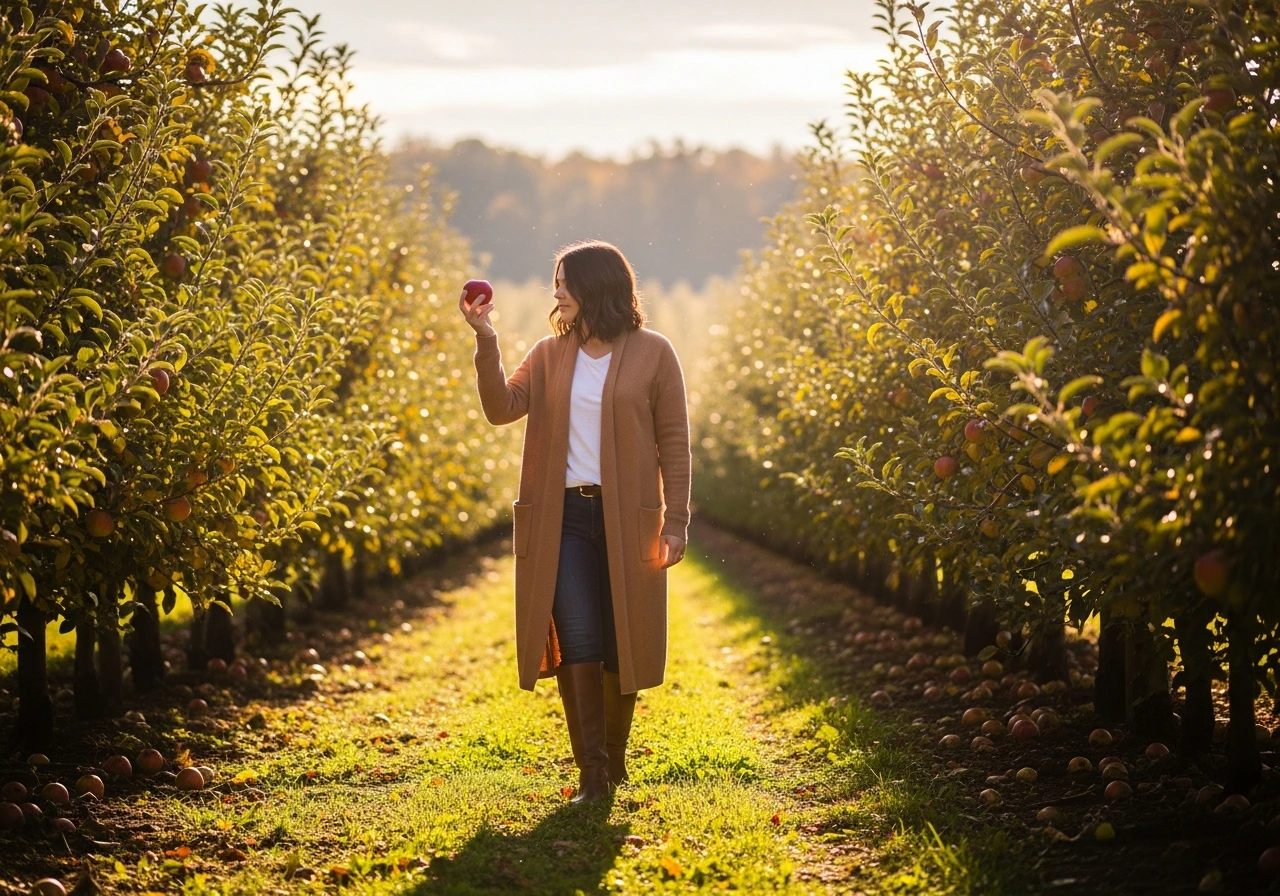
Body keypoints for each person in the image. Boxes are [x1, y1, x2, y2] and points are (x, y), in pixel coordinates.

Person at [460, 239, 691, 804]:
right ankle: (591, 774)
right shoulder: (546, 354)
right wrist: (486, 341)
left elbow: (675, 444)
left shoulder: (654, 353)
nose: (556, 291)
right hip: (561, 519)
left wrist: (677, 521)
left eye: (565, 281)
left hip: (627, 520)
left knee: (621, 642)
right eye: (555, 282)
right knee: (580, 638)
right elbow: (500, 409)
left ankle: (613, 762)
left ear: (597, 287)